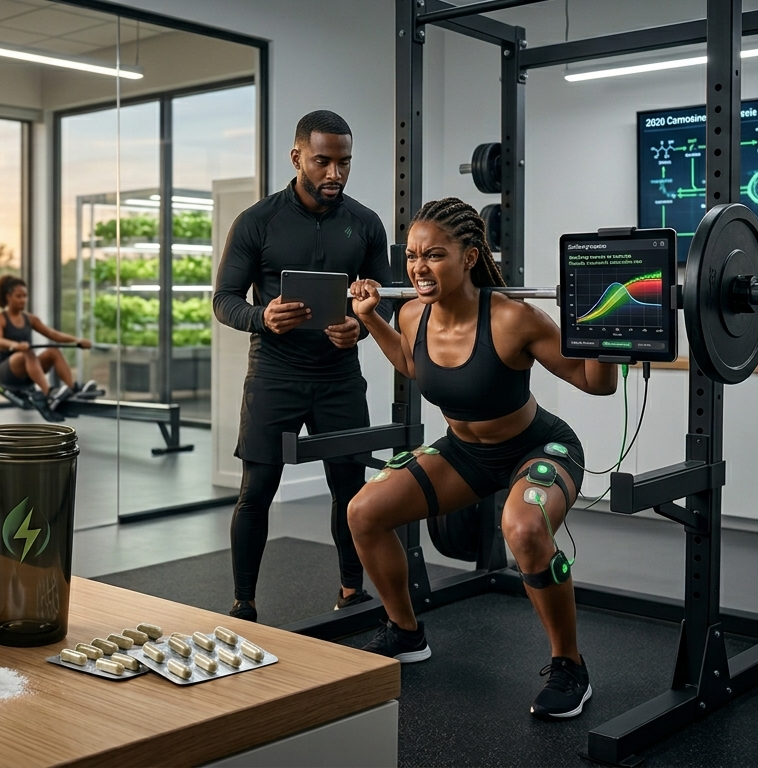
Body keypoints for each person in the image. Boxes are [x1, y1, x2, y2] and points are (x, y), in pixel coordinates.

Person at [346, 197, 618, 720]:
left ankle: (570, 667)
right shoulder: (408, 313)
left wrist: (608, 336)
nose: (419, 268)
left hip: (537, 447)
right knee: (364, 512)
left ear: (469, 258)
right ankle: (405, 632)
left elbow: (593, 382)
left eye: (435, 256)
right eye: (412, 257)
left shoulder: (515, 318)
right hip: (464, 452)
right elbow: (411, 362)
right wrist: (369, 318)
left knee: (525, 530)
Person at [213, 110, 392, 623]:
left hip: (339, 376)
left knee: (350, 488)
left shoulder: (365, 223)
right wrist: (261, 316)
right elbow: (223, 300)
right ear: (297, 158)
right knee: (257, 490)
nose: (334, 174)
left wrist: (362, 323)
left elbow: (391, 300)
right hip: (275, 374)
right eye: (322, 161)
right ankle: (242, 604)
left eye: (344, 163)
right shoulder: (257, 221)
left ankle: (351, 590)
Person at [0, 275, 100, 421]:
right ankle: (49, 394)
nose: (23, 300)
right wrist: (15, 345)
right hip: (7, 372)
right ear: (8, 297)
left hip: (27, 369)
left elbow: (53, 334)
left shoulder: (30, 319)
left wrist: (78, 341)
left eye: (25, 296)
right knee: (27, 353)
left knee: (53, 351)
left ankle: (72, 390)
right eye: (18, 296)